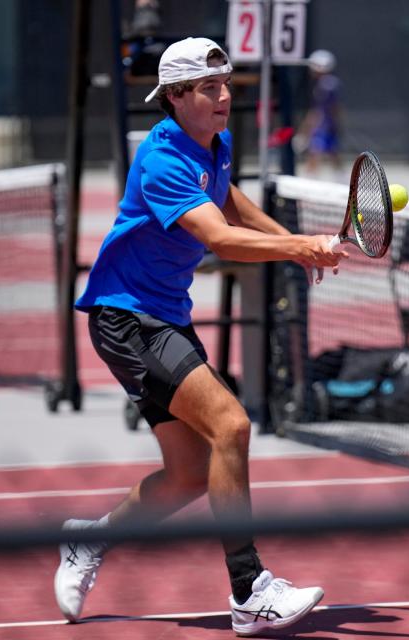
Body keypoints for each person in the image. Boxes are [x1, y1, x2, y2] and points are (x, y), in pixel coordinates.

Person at [54, 37, 338, 635]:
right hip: (126, 318)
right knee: (231, 424)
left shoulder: (214, 144)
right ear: (177, 97)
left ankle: (89, 541)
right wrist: (297, 247)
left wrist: (289, 241)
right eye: (210, 88)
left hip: (163, 317)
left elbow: (227, 197)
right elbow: (221, 238)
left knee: (188, 473)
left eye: (226, 85)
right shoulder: (161, 160)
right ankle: (250, 590)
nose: (224, 97)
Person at [295, 49, 343, 177]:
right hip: (326, 126)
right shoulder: (327, 83)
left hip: (323, 127)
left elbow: (318, 111)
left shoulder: (326, 85)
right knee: (331, 154)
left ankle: (309, 185)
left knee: (316, 154)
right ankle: (343, 181)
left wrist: (305, 131)